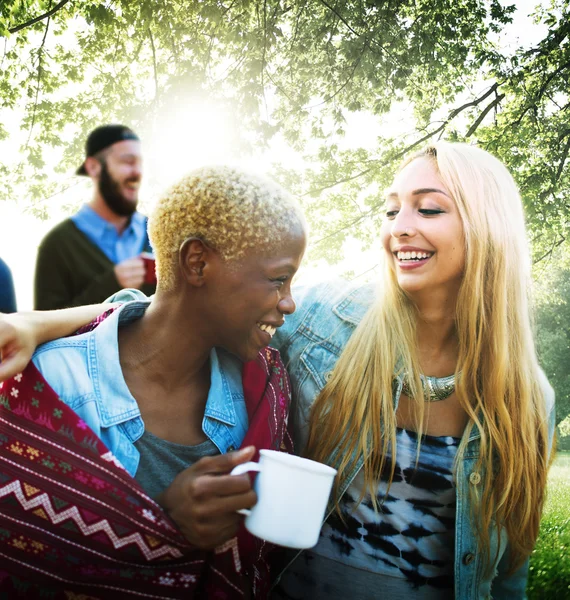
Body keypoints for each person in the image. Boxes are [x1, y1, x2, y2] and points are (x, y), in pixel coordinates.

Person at [0, 142, 556, 599]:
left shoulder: (528, 399)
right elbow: (177, 310)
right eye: (391, 211)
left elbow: (507, 576)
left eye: (428, 209)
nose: (398, 228)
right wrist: (36, 324)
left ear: (490, 228)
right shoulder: (326, 324)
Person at [0, 166, 306, 598]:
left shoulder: (258, 392)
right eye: (278, 279)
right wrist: (162, 524)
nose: (290, 302)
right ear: (197, 263)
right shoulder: (51, 385)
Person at [34, 124, 157, 310]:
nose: (137, 172)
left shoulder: (158, 233)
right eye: (127, 161)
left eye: (140, 163)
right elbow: (44, 329)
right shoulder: (57, 245)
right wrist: (111, 285)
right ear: (93, 167)